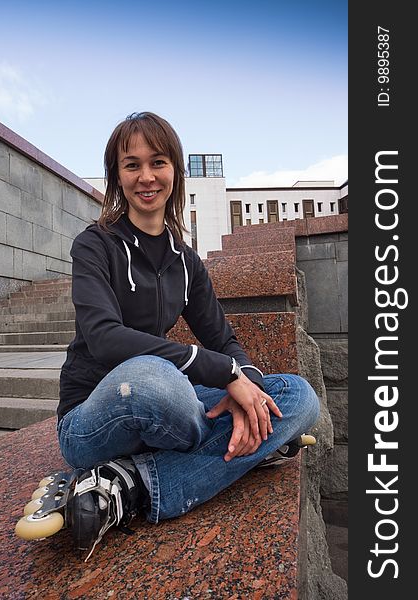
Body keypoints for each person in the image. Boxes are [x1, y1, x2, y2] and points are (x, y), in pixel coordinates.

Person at [57, 111, 320, 557]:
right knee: (153, 379)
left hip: (170, 405)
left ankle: (128, 484)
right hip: (96, 415)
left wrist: (247, 386)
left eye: (157, 162)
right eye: (131, 164)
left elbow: (225, 339)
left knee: (298, 395)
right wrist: (221, 374)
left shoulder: (186, 261)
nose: (146, 177)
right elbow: (104, 337)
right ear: (116, 177)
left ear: (175, 171)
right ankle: (247, 449)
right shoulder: (94, 244)